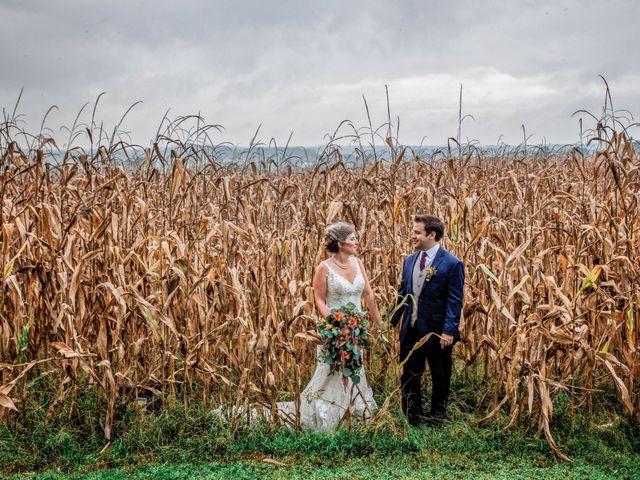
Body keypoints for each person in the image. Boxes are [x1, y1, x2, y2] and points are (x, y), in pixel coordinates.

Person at [283, 221, 380, 430]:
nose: (356, 242)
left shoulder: (357, 263)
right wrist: (336, 322)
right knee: (330, 370)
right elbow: (319, 299)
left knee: (355, 367)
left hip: (356, 330)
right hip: (334, 330)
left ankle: (354, 411)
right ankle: (328, 415)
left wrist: (377, 321)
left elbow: (368, 294)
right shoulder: (324, 267)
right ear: (340, 243)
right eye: (352, 238)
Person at [391, 214, 464, 426]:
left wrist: (449, 331)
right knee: (410, 375)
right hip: (411, 329)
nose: (412, 236)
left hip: (437, 332)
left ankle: (436, 418)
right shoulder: (410, 260)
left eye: (417, 232)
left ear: (431, 235)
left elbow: (454, 301)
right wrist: (393, 320)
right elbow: (403, 292)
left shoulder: (452, 264)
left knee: (440, 375)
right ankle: (412, 417)